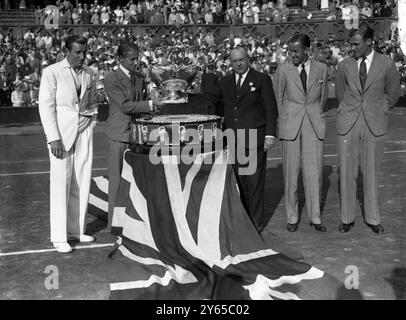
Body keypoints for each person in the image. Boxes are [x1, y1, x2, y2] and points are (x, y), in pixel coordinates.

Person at [335, 24, 400, 234]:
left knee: (371, 173)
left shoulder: (387, 64)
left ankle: (372, 218)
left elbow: (393, 93)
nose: (351, 47)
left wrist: (380, 109)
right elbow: (340, 93)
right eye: (350, 43)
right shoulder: (344, 66)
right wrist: (348, 110)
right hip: (349, 123)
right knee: (347, 173)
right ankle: (347, 218)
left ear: (369, 42)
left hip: (374, 123)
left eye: (355, 44)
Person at [205, 46, 278, 233]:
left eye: (241, 60)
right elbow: (209, 97)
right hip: (234, 139)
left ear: (248, 59)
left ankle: (256, 225)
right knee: (240, 182)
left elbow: (271, 109)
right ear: (230, 62)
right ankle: (244, 222)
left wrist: (270, 134)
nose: (238, 64)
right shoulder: (226, 81)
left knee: (254, 183)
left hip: (254, 138)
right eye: (234, 61)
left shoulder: (261, 79)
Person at [38, 35, 98, 253]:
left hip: (84, 132)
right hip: (61, 137)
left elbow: (92, 102)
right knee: (60, 183)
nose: (82, 57)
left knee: (82, 181)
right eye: (77, 53)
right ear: (66, 52)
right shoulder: (52, 72)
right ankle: (58, 235)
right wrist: (52, 137)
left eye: (84, 52)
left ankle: (76, 229)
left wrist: (91, 124)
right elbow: (46, 107)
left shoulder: (91, 73)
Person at [104, 41, 163, 229]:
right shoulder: (111, 78)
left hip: (137, 134)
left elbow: (142, 101)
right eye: (132, 59)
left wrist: (155, 103)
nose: (136, 62)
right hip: (119, 135)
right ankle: (115, 223)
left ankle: (134, 221)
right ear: (120, 59)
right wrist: (151, 105)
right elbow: (125, 105)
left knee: (137, 179)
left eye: (137, 58)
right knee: (116, 180)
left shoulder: (138, 76)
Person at [273, 34, 329, 233]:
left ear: (307, 50)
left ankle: (315, 217)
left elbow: (322, 100)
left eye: (295, 51)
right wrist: (286, 120)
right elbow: (277, 99)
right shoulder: (282, 70)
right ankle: (292, 216)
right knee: (290, 174)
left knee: (315, 174)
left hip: (313, 125)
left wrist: (313, 114)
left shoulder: (322, 69)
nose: (292, 55)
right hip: (290, 126)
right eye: (290, 51)